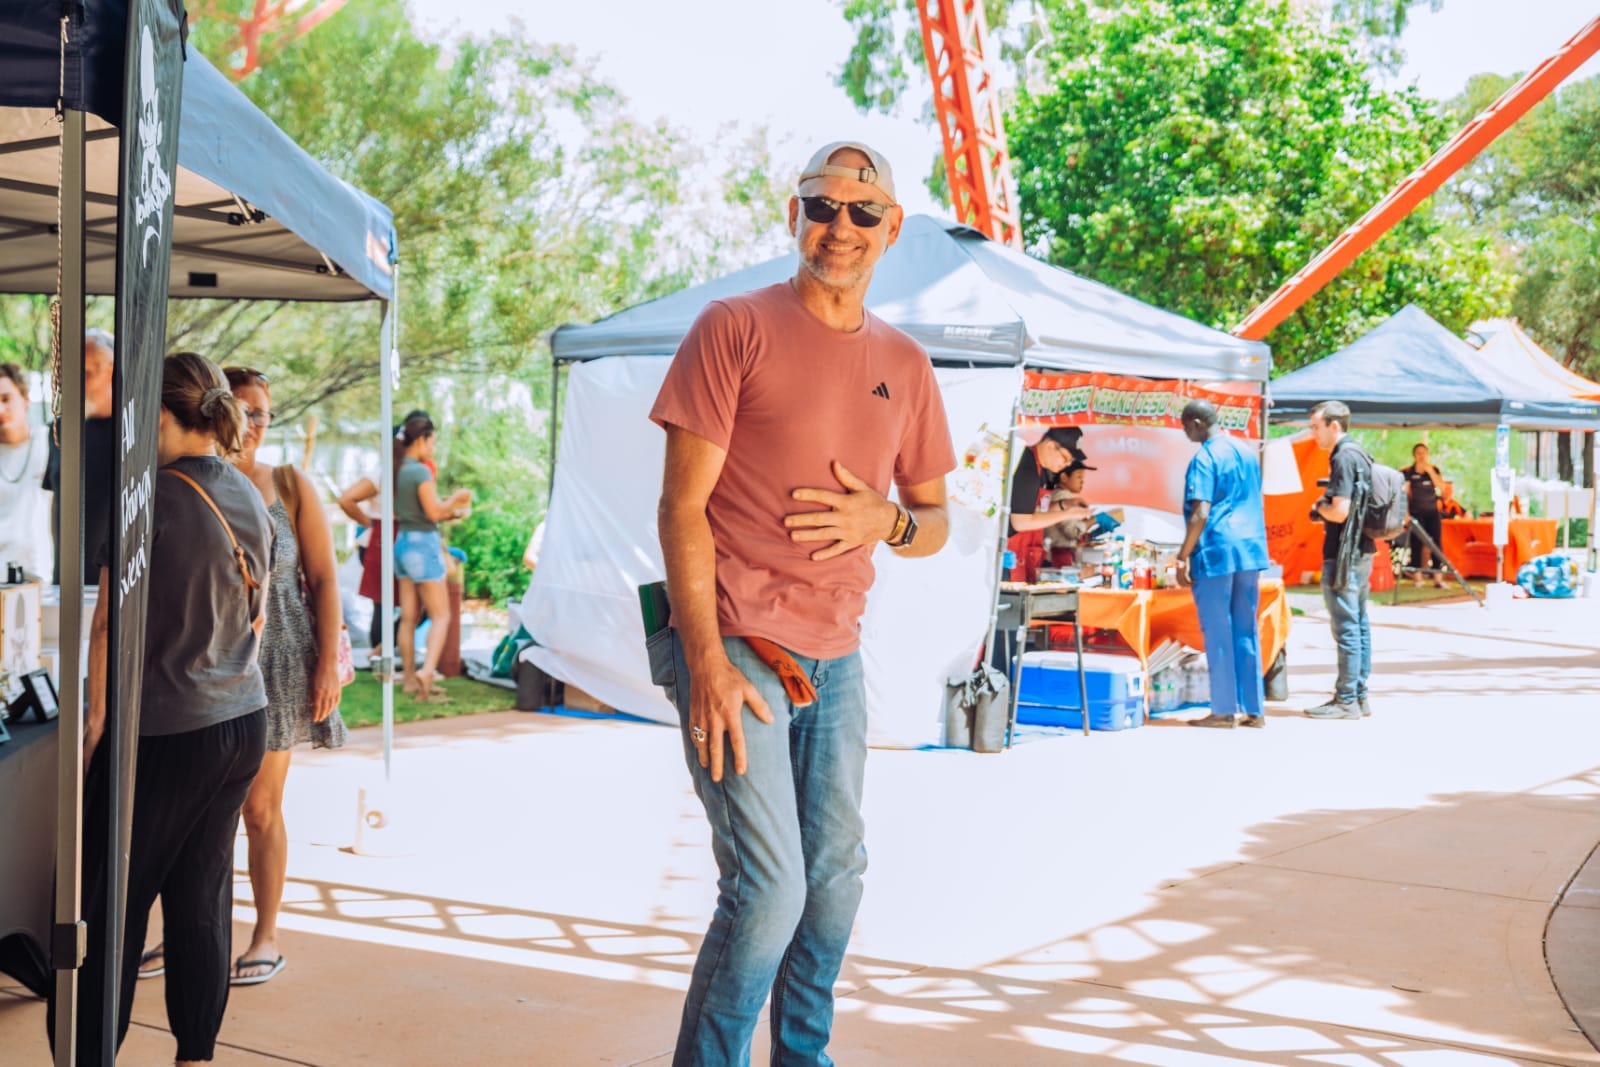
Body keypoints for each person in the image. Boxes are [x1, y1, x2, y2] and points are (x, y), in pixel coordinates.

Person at [650, 140, 954, 1065]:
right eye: (823, 206)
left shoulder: (905, 363)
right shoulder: (732, 326)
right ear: (795, 216)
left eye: (864, 211)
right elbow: (680, 508)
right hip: (734, 637)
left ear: (892, 228)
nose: (841, 227)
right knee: (769, 888)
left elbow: (936, 521)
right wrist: (704, 661)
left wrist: (886, 520)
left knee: (834, 884)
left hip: (837, 653)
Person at [49, 351, 272, 1065]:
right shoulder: (247, 492)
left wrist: (95, 724)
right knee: (201, 898)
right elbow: (257, 615)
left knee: (112, 901)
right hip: (241, 719)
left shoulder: (148, 499)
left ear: (159, 413)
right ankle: (195, 1056)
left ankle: (92, 1055)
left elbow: (108, 625)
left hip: (169, 729)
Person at [226, 366, 347, 984]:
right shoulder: (187, 477)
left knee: (259, 807)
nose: (253, 423)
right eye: (241, 409)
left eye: (262, 413)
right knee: (203, 812)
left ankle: (265, 936)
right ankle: (194, 935)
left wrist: (326, 664)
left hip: (279, 661)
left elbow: (324, 579)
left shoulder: (291, 485)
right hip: (211, 661)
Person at [1174, 399, 1270, 729]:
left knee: (1218, 631)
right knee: (1246, 629)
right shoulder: (1246, 452)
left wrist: (1182, 555)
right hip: (1250, 550)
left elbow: (1201, 511)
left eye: (1185, 426)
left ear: (1197, 423)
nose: (1185, 432)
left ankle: (1224, 710)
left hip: (1217, 551)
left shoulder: (1205, 457)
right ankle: (1254, 710)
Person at [337, 409, 433, 657]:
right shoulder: (384, 472)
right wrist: (372, 524)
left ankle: (383, 650)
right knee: (386, 603)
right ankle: (381, 654)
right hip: (384, 539)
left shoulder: (407, 471)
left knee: (408, 602)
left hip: (397, 537)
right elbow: (346, 499)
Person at [1304, 400, 1375, 720]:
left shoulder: (1343, 456)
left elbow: (1340, 511)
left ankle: (1346, 700)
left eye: (1316, 427)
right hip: (1361, 550)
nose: (1313, 433)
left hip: (1344, 553)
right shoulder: (1360, 453)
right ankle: (1358, 696)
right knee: (1358, 624)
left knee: (1347, 627)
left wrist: (1319, 508)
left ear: (1334, 426)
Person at [393, 414, 470, 701]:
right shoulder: (420, 472)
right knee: (441, 615)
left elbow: (419, 512)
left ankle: (409, 679)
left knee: (408, 618)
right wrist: (456, 499)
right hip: (422, 545)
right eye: (432, 442)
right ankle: (426, 672)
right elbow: (433, 512)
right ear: (421, 440)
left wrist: (445, 510)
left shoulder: (397, 469)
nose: (433, 448)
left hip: (402, 543)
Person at [42, 328, 117, 583]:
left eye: (86, 373)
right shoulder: (60, 429)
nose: (76, 383)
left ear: (112, 371)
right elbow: (57, 498)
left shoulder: (133, 434)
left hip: (116, 586)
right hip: (66, 584)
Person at [1007, 427, 1095, 578]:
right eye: (1065, 458)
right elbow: (1021, 522)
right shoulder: (1027, 467)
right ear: (1050, 446)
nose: (1067, 464)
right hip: (1011, 555)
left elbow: (1036, 510)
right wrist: (1067, 514)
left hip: (1028, 554)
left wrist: (1064, 505)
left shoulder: (1042, 470)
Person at [0, 362, 51, 578]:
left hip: (44, 577)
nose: (1, 410)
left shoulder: (50, 443)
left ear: (25, 399)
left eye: (6, 399)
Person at [1401, 442, 1447, 588]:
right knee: (1416, 544)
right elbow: (1404, 494)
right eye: (1418, 453)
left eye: (1424, 453)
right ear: (1414, 455)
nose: (1421, 456)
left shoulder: (1434, 470)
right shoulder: (1408, 472)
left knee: (1436, 543)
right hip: (1416, 512)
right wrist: (1406, 514)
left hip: (1432, 512)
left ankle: (1438, 578)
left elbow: (1442, 487)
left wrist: (1430, 471)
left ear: (1428, 455)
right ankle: (1417, 578)